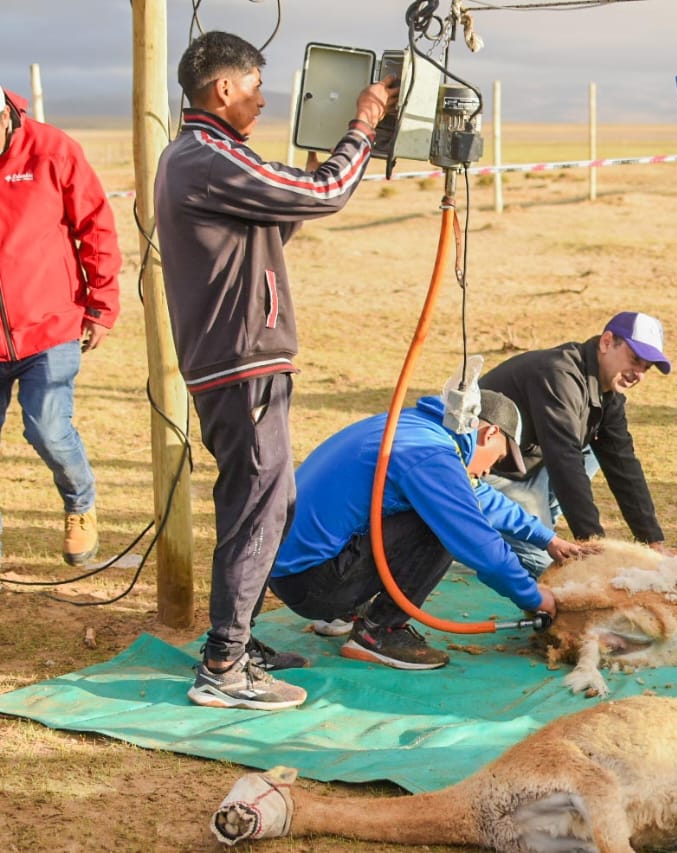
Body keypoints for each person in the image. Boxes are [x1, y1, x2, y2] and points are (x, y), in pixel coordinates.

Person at [155, 32, 396, 710]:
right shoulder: (204, 157)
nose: (263, 100)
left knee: (267, 500)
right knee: (258, 503)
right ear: (224, 88)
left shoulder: (212, 157)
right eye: (255, 86)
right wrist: (363, 127)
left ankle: (238, 637)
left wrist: (310, 180)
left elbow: (275, 217)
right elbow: (322, 194)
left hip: (241, 359)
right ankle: (225, 666)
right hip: (239, 361)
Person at [269, 390, 585, 672]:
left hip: (292, 571)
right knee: (442, 525)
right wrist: (531, 596)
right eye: (498, 459)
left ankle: (344, 612)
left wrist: (547, 538)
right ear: (489, 434)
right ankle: (379, 632)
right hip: (316, 585)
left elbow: (478, 495)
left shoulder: (418, 428)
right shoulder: (430, 453)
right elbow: (478, 542)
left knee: (437, 509)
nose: (490, 471)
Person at [478, 311, 677, 576]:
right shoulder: (558, 374)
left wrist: (652, 542)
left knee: (599, 449)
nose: (638, 374)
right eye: (635, 359)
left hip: (531, 468)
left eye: (646, 368)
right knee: (555, 572)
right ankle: (492, 534)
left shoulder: (610, 394)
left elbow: (623, 465)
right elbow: (564, 460)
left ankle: (521, 530)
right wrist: (594, 544)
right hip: (488, 477)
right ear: (606, 342)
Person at [0, 85, 120, 567]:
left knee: (47, 428)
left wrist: (103, 303)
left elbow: (97, 226)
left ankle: (80, 505)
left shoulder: (52, 150)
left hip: (50, 327)